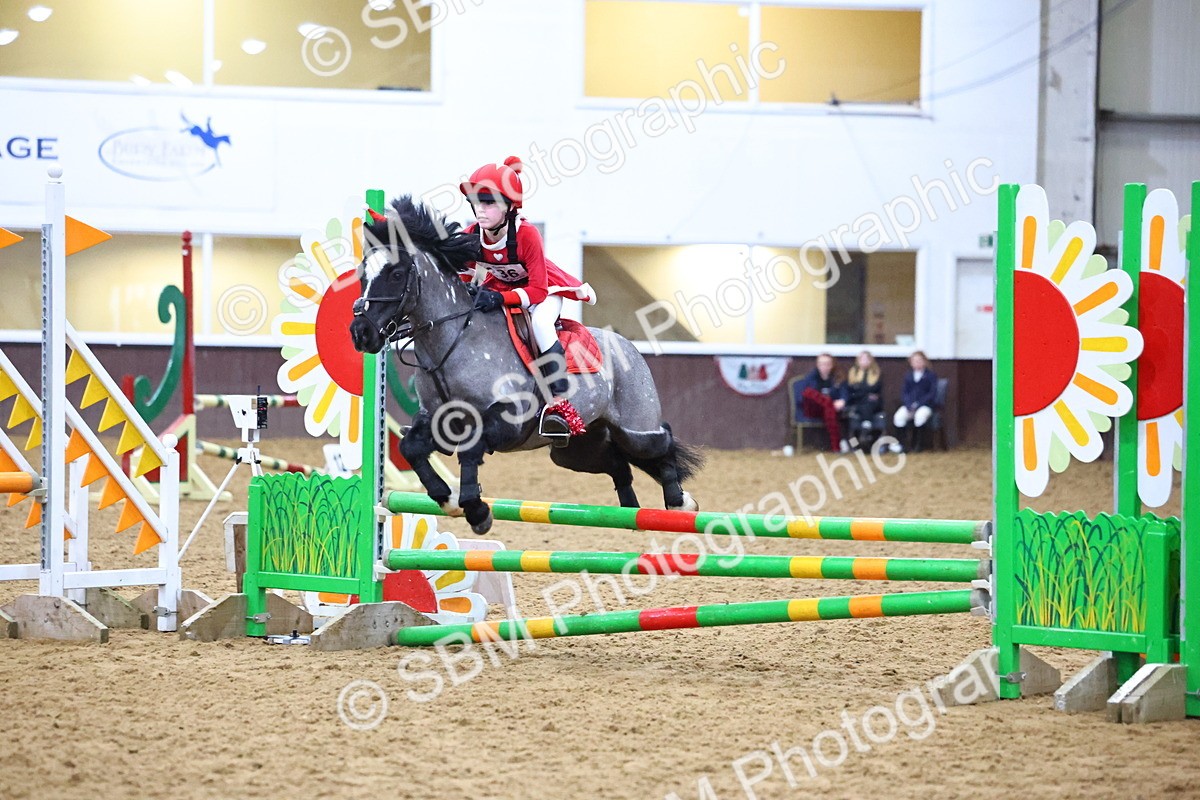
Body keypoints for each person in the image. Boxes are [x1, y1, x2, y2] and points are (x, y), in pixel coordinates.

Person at [459, 156, 596, 439]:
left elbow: (537, 291)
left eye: (489, 203)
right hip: (504, 288)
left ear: (509, 206)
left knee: (542, 326)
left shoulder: (527, 234)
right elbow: (460, 270)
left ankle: (559, 402)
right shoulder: (473, 234)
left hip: (543, 290)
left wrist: (500, 300)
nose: (480, 211)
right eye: (476, 202)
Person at [798, 353, 848, 453]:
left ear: (831, 365)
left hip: (831, 411)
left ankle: (836, 448)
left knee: (829, 410)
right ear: (817, 365)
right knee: (809, 392)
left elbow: (844, 394)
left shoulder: (838, 377)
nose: (824, 366)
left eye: (827, 364)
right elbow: (802, 396)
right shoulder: (811, 377)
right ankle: (837, 446)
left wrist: (842, 401)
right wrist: (828, 402)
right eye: (821, 364)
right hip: (813, 409)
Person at [891, 350, 938, 453]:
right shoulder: (908, 376)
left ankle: (917, 445)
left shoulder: (931, 375)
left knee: (920, 416)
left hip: (925, 405)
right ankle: (902, 445)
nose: (917, 363)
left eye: (919, 360)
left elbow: (932, 393)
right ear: (911, 363)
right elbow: (904, 393)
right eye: (914, 361)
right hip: (910, 405)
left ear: (924, 362)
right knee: (899, 416)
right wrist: (908, 405)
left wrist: (919, 404)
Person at [844, 350, 883, 450]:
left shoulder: (876, 373)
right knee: (866, 402)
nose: (864, 361)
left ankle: (865, 432)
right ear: (858, 361)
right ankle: (866, 427)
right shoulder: (853, 373)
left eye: (867, 359)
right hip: (856, 402)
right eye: (862, 359)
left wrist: (861, 390)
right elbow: (852, 390)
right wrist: (865, 393)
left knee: (869, 403)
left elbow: (876, 389)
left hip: (873, 404)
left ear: (871, 361)